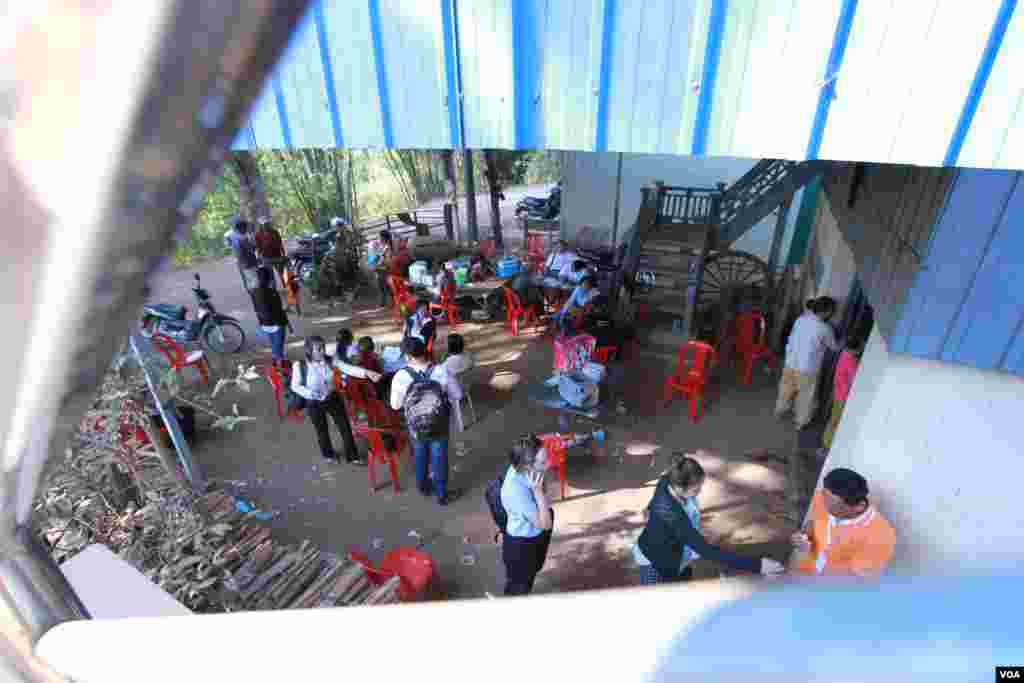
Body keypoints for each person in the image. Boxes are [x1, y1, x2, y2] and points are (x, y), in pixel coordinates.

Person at [634, 452, 784, 584]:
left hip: (678, 552)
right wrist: (759, 565)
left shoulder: (669, 479)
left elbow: (658, 497)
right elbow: (706, 551)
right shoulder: (673, 515)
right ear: (679, 487)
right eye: (695, 489)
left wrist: (649, 508)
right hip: (657, 563)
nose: (699, 492)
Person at [389, 337, 462, 505]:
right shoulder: (441, 371)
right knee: (439, 457)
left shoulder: (401, 376)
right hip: (440, 424)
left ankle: (423, 486)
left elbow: (395, 405)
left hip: (416, 426)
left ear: (407, 356)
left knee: (420, 453)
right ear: (424, 351)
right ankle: (441, 494)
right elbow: (457, 395)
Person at [789, 468, 896, 578]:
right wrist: (803, 536)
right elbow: (813, 524)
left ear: (858, 507)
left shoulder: (881, 537)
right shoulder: (822, 498)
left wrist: (814, 557)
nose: (822, 501)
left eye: (831, 503)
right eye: (824, 494)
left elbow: (851, 584)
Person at [290, 336, 376, 466]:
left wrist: (367, 372)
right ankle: (328, 454)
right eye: (318, 349)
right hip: (314, 403)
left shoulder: (330, 360)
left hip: (332, 398)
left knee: (345, 427)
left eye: (323, 347)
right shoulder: (300, 365)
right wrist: (310, 394)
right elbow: (295, 386)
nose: (322, 351)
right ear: (309, 351)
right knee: (322, 430)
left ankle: (352, 456)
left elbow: (347, 368)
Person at [776, 297, 842, 430]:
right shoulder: (825, 328)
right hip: (807, 368)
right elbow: (834, 347)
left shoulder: (800, 320)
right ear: (826, 312)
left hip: (791, 361)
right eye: (832, 311)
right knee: (806, 396)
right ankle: (800, 422)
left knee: (786, 388)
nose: (833, 314)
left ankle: (781, 409)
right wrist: (844, 343)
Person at [500, 434, 554, 595]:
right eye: (543, 462)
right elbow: (545, 524)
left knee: (532, 572)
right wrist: (538, 492)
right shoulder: (516, 490)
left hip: (532, 535)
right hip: (522, 546)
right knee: (520, 587)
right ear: (527, 466)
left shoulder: (525, 468)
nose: (549, 464)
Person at [822, 339, 864, 450]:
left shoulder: (844, 354)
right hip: (843, 396)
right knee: (835, 421)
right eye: (860, 348)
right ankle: (827, 444)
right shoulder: (852, 362)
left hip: (838, 391)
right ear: (855, 349)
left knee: (833, 418)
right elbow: (855, 380)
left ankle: (826, 441)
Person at [249, 267, 290, 363]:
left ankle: (278, 357)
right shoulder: (272, 292)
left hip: (264, 324)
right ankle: (279, 362)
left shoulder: (254, 293)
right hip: (277, 324)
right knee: (278, 346)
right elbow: (278, 309)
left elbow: (256, 309)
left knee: (274, 344)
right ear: (269, 279)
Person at [225, 218, 261, 290]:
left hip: (241, 262)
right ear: (241, 228)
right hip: (249, 262)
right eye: (245, 227)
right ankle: (258, 297)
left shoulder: (231, 236)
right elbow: (251, 249)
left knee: (249, 280)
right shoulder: (243, 238)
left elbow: (229, 246)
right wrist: (254, 245)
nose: (246, 229)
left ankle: (252, 294)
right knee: (256, 282)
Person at [254, 218, 288, 287]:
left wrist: (283, 253)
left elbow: (280, 243)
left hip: (277, 255)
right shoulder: (258, 235)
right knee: (270, 275)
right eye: (263, 224)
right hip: (266, 258)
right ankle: (274, 289)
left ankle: (286, 286)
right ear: (261, 225)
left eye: (266, 224)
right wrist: (259, 257)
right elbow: (258, 246)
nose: (265, 225)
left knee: (281, 272)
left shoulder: (274, 232)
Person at [370, 229, 394, 307]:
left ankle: (391, 302)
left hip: (385, 269)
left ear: (383, 237)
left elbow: (386, 258)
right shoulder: (381, 246)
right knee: (381, 286)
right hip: (380, 268)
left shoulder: (387, 246)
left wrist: (378, 262)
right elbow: (377, 257)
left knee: (387, 286)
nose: (378, 238)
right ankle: (383, 302)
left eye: (379, 237)